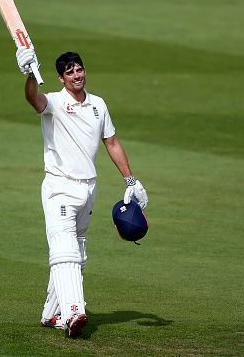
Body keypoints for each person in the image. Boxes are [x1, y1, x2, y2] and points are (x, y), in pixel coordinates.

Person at [16, 48, 148, 338]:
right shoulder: (54, 102)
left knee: (78, 251)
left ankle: (52, 314)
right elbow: (32, 98)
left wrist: (130, 180)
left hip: (88, 188)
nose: (77, 75)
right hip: (60, 186)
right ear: (61, 78)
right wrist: (28, 75)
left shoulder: (98, 105)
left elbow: (111, 142)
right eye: (70, 72)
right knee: (65, 249)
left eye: (79, 69)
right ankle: (74, 311)